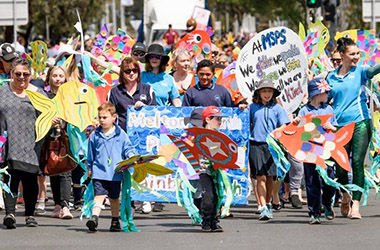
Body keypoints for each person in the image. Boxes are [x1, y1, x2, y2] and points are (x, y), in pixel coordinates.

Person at [326, 37, 380, 219]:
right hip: (339, 126)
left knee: (357, 161)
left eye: (358, 53)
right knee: (341, 165)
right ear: (342, 55)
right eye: (352, 54)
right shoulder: (330, 77)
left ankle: (356, 204)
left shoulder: (361, 72)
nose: (356, 57)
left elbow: (374, 69)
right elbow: (324, 101)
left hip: (360, 122)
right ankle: (345, 195)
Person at [0, 58, 47, 229]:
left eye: (25, 74)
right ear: (12, 74)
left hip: (31, 144)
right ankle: (10, 214)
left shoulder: (38, 94)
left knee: (30, 180)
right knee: (10, 177)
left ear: (30, 75)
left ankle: (29, 215)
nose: (21, 77)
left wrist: (54, 120)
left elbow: (48, 114)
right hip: (8, 143)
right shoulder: (2, 92)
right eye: (18, 73)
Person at [86, 102, 137, 232]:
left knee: (114, 198)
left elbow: (128, 148)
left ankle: (115, 220)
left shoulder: (121, 134)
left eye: (105, 117)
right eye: (100, 117)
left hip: (115, 173)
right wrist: (90, 167)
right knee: (99, 195)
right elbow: (90, 152)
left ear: (113, 117)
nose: (101, 120)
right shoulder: (95, 135)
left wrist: (132, 156)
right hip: (99, 171)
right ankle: (94, 218)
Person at [294, 77, 337, 224]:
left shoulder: (329, 109)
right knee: (312, 182)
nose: (328, 95)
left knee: (330, 180)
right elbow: (297, 129)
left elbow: (335, 128)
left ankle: (327, 203)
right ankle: (314, 212)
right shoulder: (304, 110)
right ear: (317, 94)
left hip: (326, 150)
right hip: (309, 149)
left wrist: (331, 128)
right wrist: (297, 123)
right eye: (326, 92)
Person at [249, 79, 289, 220]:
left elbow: (285, 125)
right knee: (260, 176)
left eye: (269, 91)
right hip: (256, 143)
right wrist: (241, 108)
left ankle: (268, 202)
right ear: (259, 93)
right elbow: (244, 122)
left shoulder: (277, 108)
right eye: (264, 91)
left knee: (271, 177)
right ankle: (262, 206)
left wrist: (276, 132)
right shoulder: (252, 107)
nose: (267, 94)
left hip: (272, 145)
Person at [43, 66, 74, 219]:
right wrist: (50, 120)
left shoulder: (70, 97)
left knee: (66, 171)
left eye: (61, 76)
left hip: (67, 137)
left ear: (65, 78)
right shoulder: (45, 96)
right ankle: (57, 204)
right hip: (50, 137)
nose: (57, 79)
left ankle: (66, 206)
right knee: (54, 168)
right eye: (54, 75)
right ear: (50, 78)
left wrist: (64, 119)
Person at [197, 106, 226, 232]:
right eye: (217, 118)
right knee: (207, 196)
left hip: (217, 171)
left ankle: (215, 220)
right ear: (208, 119)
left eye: (221, 119)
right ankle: (206, 220)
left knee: (218, 196)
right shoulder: (198, 135)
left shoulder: (220, 136)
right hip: (204, 171)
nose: (220, 121)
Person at [109, 57, 157, 131]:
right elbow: (109, 115)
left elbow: (155, 112)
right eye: (128, 71)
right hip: (122, 135)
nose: (131, 73)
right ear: (122, 73)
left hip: (144, 133)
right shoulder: (114, 92)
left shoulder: (147, 89)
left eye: (134, 70)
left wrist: (145, 107)